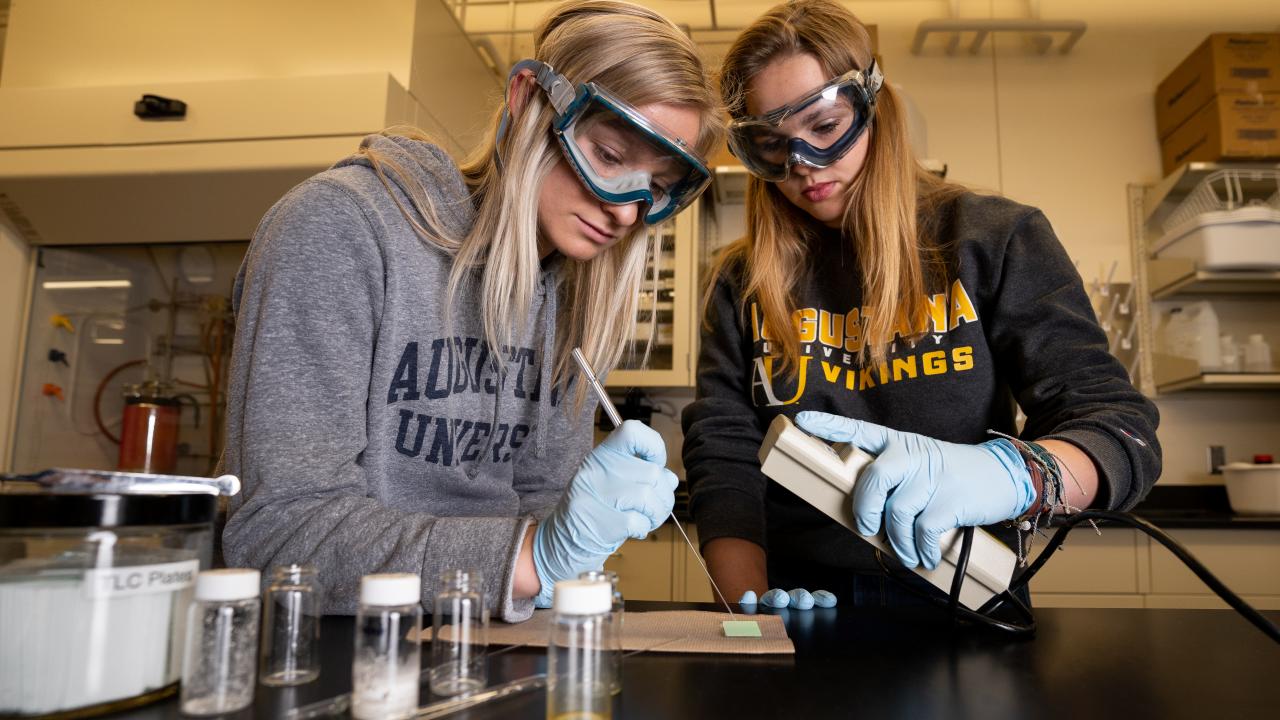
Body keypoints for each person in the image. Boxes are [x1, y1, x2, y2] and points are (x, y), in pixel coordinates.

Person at [221, 0, 723, 621]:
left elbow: (542, 517)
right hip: (331, 656)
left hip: (484, 648)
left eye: (657, 186)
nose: (627, 209)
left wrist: (569, 550)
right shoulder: (340, 227)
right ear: (527, 100)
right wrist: (537, 556)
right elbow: (279, 536)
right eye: (611, 158)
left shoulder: (571, 293)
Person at [682, 0, 1160, 610]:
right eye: (772, 147)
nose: (803, 165)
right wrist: (747, 611)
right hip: (796, 595)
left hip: (964, 591)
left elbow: (1118, 427)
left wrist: (1015, 476)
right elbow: (724, 448)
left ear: (874, 107)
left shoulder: (993, 239)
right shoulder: (741, 279)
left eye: (825, 128)